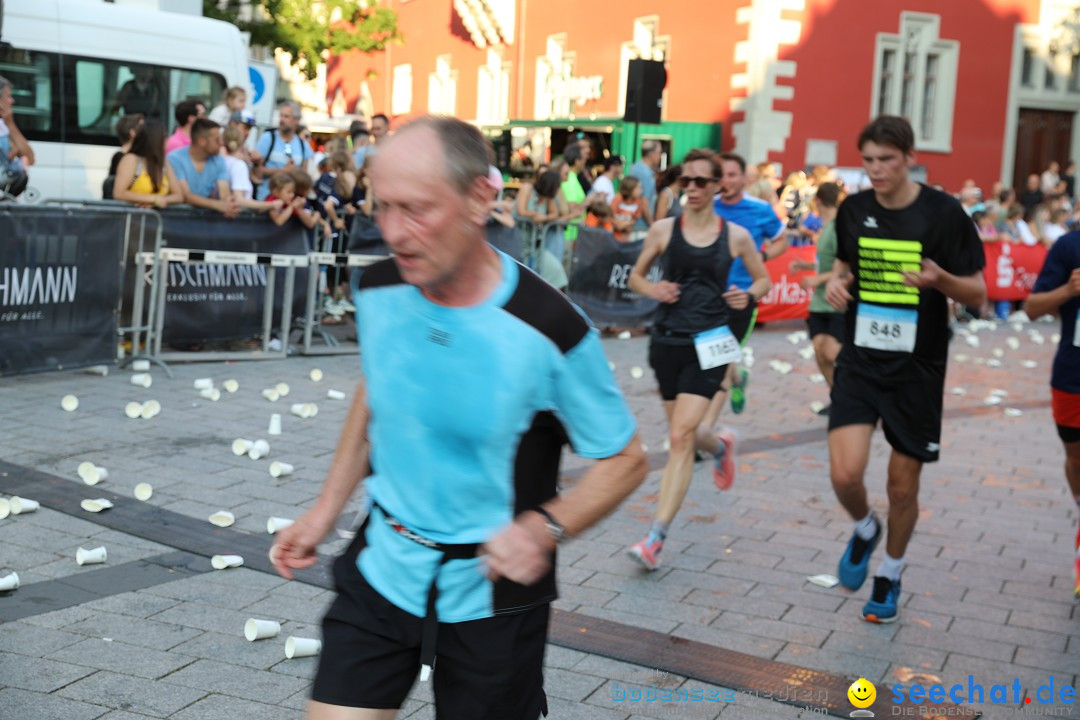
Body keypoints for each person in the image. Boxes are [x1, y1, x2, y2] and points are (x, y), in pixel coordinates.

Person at [269, 115, 647, 720]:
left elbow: (624, 460)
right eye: (382, 207)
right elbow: (378, 395)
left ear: (480, 200)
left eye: (416, 209)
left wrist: (543, 528)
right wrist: (324, 510)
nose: (394, 231)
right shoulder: (379, 288)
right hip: (385, 565)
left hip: (491, 593)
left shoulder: (550, 328)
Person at [824, 115, 986, 623]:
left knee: (901, 486)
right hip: (861, 359)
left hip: (918, 367)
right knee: (845, 473)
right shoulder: (854, 210)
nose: (876, 170)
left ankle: (890, 573)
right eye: (868, 160)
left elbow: (979, 293)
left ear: (910, 157)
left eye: (886, 160)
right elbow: (843, 264)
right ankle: (865, 528)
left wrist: (941, 280)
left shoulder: (943, 214)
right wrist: (836, 282)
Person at [625, 148, 770, 570]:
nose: (691, 188)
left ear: (716, 185)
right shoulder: (664, 230)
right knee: (685, 435)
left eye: (700, 182)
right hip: (667, 342)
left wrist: (750, 294)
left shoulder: (736, 236)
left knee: (680, 438)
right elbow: (636, 276)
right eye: (685, 181)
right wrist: (653, 290)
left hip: (711, 343)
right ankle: (721, 443)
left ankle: (655, 538)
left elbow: (762, 279)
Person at [1023, 230, 1080, 598]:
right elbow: (1031, 308)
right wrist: (1068, 290)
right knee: (1076, 460)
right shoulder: (1069, 247)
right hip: (1073, 377)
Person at [709, 152, 786, 418]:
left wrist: (760, 256)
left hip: (743, 295)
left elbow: (782, 240)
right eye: (722, 175)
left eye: (732, 175)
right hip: (708, 295)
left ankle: (702, 431)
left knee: (719, 360)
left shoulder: (760, 209)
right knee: (715, 359)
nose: (726, 181)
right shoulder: (708, 205)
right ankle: (738, 378)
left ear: (743, 178)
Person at [788, 181, 845, 414]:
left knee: (832, 352)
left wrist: (816, 280)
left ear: (818, 200)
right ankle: (838, 398)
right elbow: (826, 263)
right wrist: (806, 265)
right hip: (820, 300)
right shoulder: (825, 226)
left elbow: (846, 268)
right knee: (820, 351)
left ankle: (854, 392)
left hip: (836, 298)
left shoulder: (840, 227)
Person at [167, 118, 239, 217]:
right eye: (217, 140)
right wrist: (218, 205)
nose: (221, 143)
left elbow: (224, 191)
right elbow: (186, 196)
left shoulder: (219, 161)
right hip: (177, 220)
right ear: (201, 141)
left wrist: (228, 202)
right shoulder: (174, 158)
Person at [113, 119, 183, 209]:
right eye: (164, 136)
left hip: (155, 219)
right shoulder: (131, 159)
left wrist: (159, 201)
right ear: (154, 139)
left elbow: (179, 196)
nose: (168, 139)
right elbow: (119, 193)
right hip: (131, 218)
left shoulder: (163, 163)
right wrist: (152, 199)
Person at [254, 100, 312, 200]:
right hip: (267, 200)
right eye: (281, 116)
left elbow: (304, 177)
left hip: (291, 204)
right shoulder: (268, 138)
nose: (281, 120)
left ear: (296, 120)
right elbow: (257, 171)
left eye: (286, 117)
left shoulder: (303, 145)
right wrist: (283, 171)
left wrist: (295, 172)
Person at [0, 75, 34, 198]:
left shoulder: (4, 125)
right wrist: (14, 152)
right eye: (8, 96)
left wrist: (10, 123)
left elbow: (30, 157)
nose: (12, 101)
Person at [628, 139, 661, 229]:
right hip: (640, 226)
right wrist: (651, 224)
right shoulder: (644, 173)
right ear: (651, 154)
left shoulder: (636, 168)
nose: (660, 156)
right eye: (659, 153)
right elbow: (644, 201)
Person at [611, 175, 645, 243]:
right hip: (613, 235)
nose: (641, 191)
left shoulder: (639, 202)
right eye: (638, 188)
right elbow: (610, 217)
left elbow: (634, 219)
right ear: (630, 188)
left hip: (626, 236)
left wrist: (624, 225)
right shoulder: (618, 198)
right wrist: (619, 225)